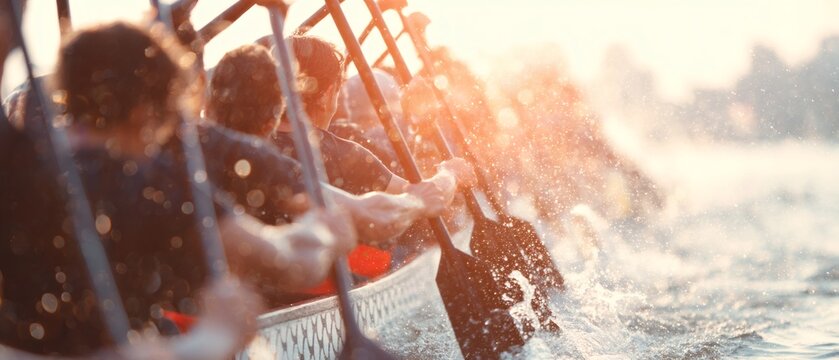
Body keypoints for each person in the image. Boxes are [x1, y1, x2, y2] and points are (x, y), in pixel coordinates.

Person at [0, 18, 354, 357]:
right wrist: (325, 233)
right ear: (143, 113)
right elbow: (287, 261)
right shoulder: (150, 185)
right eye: (166, 118)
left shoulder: (18, 168)